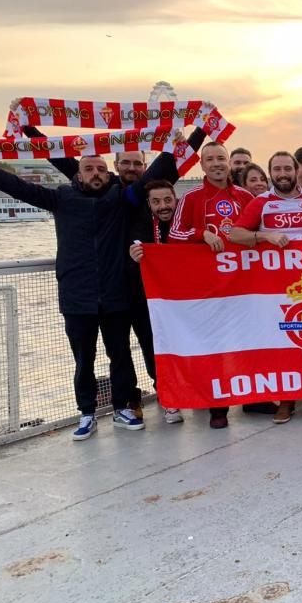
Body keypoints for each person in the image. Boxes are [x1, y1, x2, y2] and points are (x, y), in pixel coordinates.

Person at [0, 150, 182, 440]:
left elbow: (159, 171)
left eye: (101, 169)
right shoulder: (61, 199)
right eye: (89, 168)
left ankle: (121, 408)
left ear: (110, 173)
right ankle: (87, 413)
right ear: (77, 174)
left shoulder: (120, 197)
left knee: (120, 356)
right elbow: (14, 185)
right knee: (83, 359)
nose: (95, 173)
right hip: (77, 295)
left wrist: (179, 143)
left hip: (115, 293)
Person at [229, 150, 302, 423]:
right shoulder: (261, 202)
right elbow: (235, 234)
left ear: (296, 171)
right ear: (271, 173)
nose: (283, 174)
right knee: (282, 342)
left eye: (287, 169)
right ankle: (286, 400)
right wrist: (264, 236)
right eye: (277, 169)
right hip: (274, 287)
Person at [169, 141, 256, 428]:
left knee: (250, 339)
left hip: (244, 283)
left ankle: (258, 398)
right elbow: (175, 235)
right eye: (211, 159)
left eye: (221, 158)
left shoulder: (244, 196)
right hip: (207, 287)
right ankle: (218, 406)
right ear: (202, 165)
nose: (217, 163)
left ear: (229, 162)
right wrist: (201, 234)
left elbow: (258, 232)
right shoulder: (191, 197)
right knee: (215, 344)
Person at [128, 180, 183, 424]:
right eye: (156, 201)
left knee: (188, 346)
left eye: (168, 200)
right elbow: (128, 252)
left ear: (176, 199)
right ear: (149, 204)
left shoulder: (187, 222)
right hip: (149, 301)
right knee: (154, 349)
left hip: (184, 302)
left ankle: (196, 393)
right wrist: (133, 255)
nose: (163, 206)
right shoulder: (137, 225)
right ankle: (168, 399)